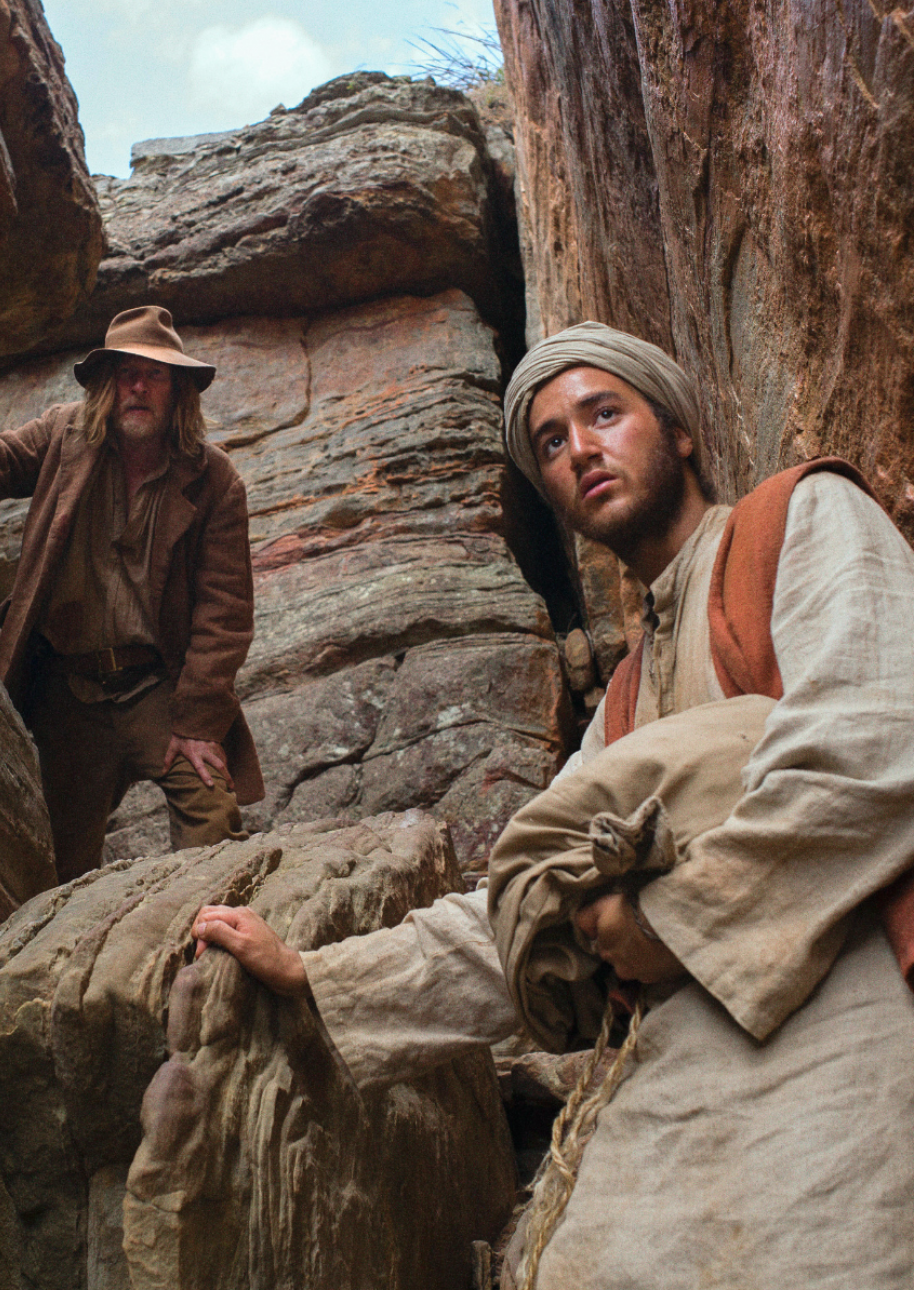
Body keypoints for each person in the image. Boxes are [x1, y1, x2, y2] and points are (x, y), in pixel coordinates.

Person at [191, 322, 914, 1288]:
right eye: (550, 442)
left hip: (857, 1019)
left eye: (603, 413)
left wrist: (663, 920)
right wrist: (318, 978)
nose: (579, 447)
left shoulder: (803, 518)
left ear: (682, 431)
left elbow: (876, 734)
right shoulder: (621, 704)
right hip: (679, 1073)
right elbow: (518, 904)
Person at [0, 305, 264, 882]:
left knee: (212, 819)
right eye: (125, 371)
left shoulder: (215, 481)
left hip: (159, 690)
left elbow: (227, 614)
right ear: (106, 383)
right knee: (53, 868)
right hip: (66, 692)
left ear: (179, 389)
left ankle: (209, 948)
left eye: (155, 373)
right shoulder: (64, 437)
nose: (138, 386)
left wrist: (196, 721)